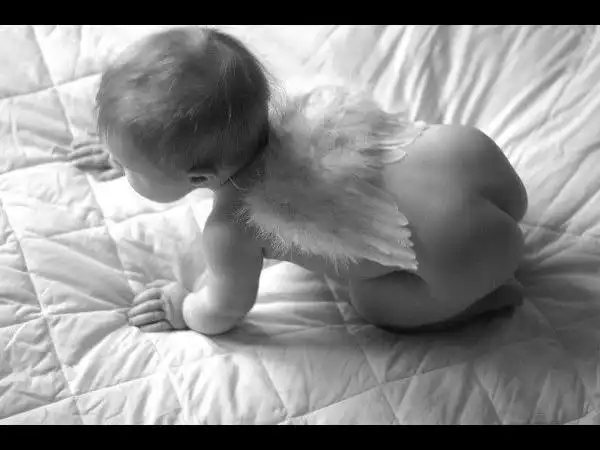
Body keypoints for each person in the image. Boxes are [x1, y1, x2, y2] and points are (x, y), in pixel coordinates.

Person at [63, 26, 528, 336]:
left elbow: (223, 309)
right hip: (472, 158)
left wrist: (183, 307)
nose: (124, 170)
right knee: (437, 151)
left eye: (130, 167)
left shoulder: (233, 229)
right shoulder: (304, 103)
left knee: (372, 303)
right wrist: (134, 151)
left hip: (460, 254)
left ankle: (476, 301)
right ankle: (487, 261)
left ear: (199, 177)